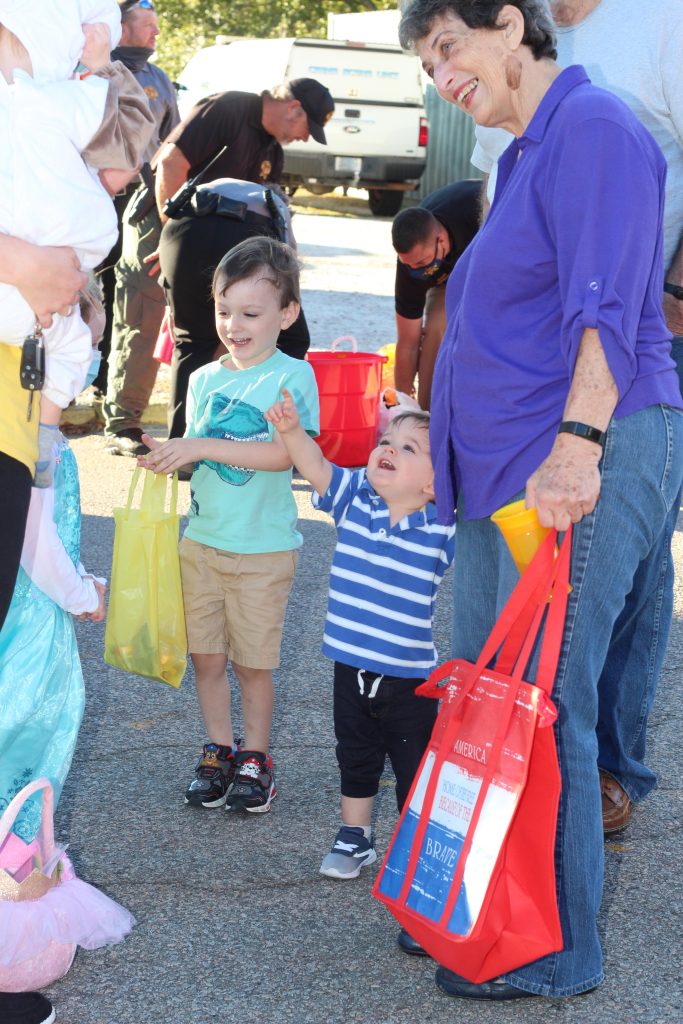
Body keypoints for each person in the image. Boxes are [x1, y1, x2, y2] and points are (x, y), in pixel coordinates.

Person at [399, 0, 683, 1002]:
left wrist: (576, 448)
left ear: (510, 26)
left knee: (544, 703)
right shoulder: (521, 154)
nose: (441, 74)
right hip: (508, 474)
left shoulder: (592, 127)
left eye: (448, 46)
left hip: (578, 454)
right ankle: (480, 905)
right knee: (489, 693)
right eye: (426, 65)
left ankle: (550, 951)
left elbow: (604, 306)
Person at [469, 0, 683, 836]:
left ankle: (606, 769)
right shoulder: (514, 40)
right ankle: (536, 780)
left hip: (646, 329)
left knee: (626, 577)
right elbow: (497, 187)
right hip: (543, 355)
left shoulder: (659, 21)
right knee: (544, 590)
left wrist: (673, 289)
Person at [138, 237, 319, 813]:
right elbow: (200, 455)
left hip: (263, 550)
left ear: (286, 314)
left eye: (250, 313)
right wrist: (169, 455)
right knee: (207, 658)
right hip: (202, 544)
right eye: (223, 310)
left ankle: (256, 757)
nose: (234, 326)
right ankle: (218, 749)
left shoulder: (293, 377)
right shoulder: (202, 379)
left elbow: (284, 455)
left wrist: (200, 445)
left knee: (252, 664)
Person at [264, 395, 455, 879]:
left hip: (410, 679)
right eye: (386, 440)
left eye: (410, 448)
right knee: (355, 755)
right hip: (350, 668)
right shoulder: (355, 500)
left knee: (414, 765)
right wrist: (291, 432)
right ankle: (355, 836)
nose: (388, 449)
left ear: (435, 484)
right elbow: (316, 466)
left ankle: (418, 848)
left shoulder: (442, 526)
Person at [104, 76, 334, 457]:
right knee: (146, 318)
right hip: (163, 217)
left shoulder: (272, 151)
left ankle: (213, 430)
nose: (305, 138)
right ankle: (123, 423)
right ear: (293, 108)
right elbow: (172, 164)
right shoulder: (229, 108)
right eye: (307, 127)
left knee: (214, 328)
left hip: (212, 240)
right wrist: (169, 239)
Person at [0, 0, 154, 486]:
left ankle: (42, 439)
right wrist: (102, 64)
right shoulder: (62, 100)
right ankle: (47, 437)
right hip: (46, 308)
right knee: (72, 346)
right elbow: (132, 140)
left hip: (23, 311)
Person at [159, 177, 310, 438]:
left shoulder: (227, 187)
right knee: (295, 338)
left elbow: (170, 264)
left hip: (178, 231)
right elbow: (288, 266)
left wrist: (173, 305)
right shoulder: (276, 206)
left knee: (191, 342)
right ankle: (272, 430)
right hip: (240, 228)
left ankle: (180, 445)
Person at [92, 0, 180, 399]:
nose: (156, 32)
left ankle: (105, 381)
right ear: (122, 28)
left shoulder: (159, 79)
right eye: (148, 25)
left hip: (142, 202)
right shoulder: (95, 69)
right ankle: (70, 375)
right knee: (85, 283)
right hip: (99, 196)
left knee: (125, 290)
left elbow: (173, 140)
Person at [392, 179, 480, 408]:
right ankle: (428, 414)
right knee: (437, 326)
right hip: (448, 278)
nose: (415, 271)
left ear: (440, 240)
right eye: (409, 265)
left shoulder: (475, 214)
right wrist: (401, 407)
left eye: (421, 263)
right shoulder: (411, 264)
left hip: (487, 263)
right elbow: (408, 343)